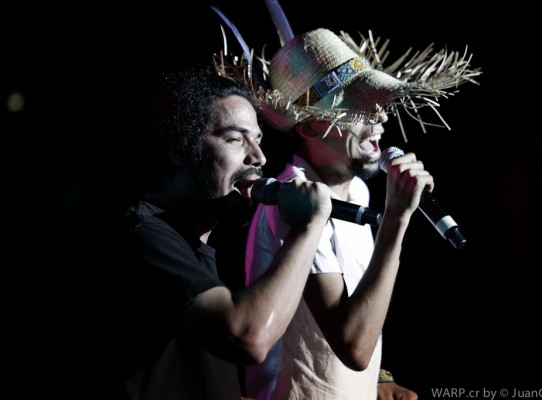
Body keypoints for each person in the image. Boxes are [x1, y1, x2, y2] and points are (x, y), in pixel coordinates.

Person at [213, 5, 480, 398]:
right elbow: (353, 345)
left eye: (378, 99)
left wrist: (380, 379)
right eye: (358, 103)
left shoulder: (357, 190)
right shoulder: (292, 201)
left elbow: (349, 317)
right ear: (310, 126)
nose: (380, 115)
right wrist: (396, 219)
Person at [65, 65, 334, 400]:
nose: (259, 157)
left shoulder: (192, 244)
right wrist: (308, 227)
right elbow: (249, 337)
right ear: (180, 149)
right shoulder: (142, 235)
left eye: (258, 140)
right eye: (235, 139)